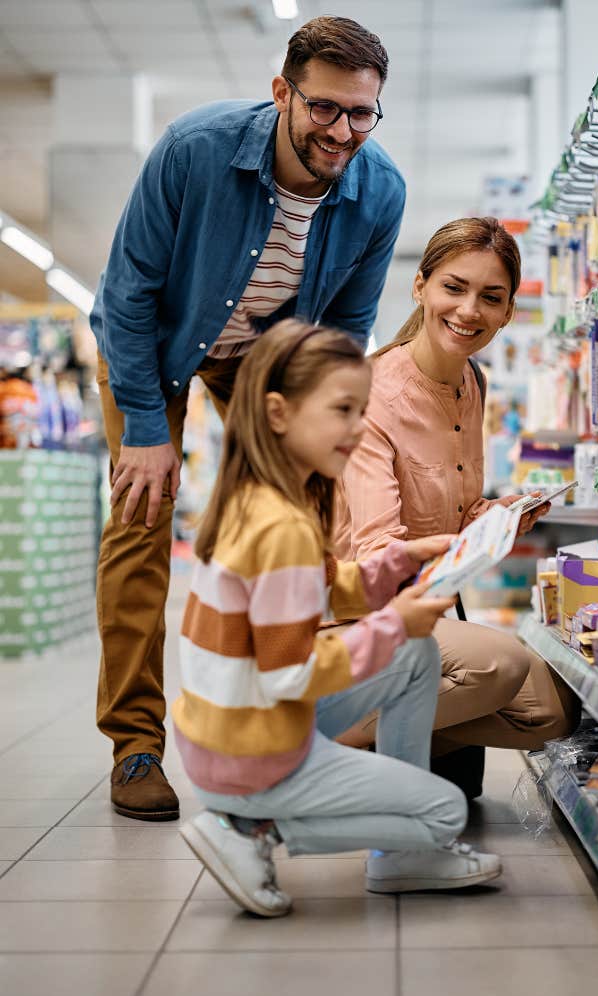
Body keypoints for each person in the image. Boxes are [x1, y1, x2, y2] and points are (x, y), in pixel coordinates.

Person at [90, 16, 406, 821]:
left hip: (267, 360)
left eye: (361, 113)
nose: (342, 132)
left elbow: (344, 333)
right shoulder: (195, 150)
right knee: (139, 518)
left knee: (301, 513)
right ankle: (135, 747)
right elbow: (125, 297)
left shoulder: (380, 192)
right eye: (325, 109)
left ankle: (291, 712)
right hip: (153, 344)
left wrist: (328, 432)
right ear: (282, 94)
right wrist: (150, 434)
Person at [175, 320, 501, 917]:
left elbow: (320, 594)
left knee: (415, 657)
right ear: (278, 413)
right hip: (252, 750)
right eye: (344, 411)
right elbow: (289, 674)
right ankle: (254, 830)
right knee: (445, 810)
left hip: (225, 729)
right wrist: (394, 621)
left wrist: (395, 564)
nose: (358, 429)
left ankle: (390, 852)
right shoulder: (283, 528)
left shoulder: (264, 499)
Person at [334, 218, 581, 794]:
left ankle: (387, 752)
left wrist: (500, 516)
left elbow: (456, 512)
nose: (469, 310)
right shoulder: (369, 396)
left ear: (508, 312)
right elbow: (376, 555)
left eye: (490, 297)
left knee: (552, 710)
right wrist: (470, 540)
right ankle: (307, 739)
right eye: (454, 287)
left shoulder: (473, 382)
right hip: (347, 616)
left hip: (418, 610)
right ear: (420, 287)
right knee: (499, 664)